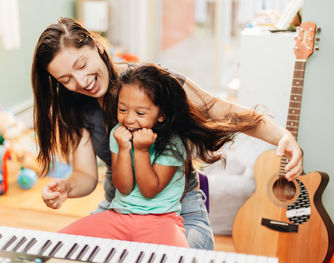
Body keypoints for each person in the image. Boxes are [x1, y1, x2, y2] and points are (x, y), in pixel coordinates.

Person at [33, 17, 303, 250]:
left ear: (95, 44)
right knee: (67, 251)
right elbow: (86, 176)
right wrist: (68, 187)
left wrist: (282, 136)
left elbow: (221, 111)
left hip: (178, 212)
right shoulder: (75, 106)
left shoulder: (152, 85)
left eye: (80, 65)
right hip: (119, 207)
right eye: (65, 79)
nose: (80, 82)